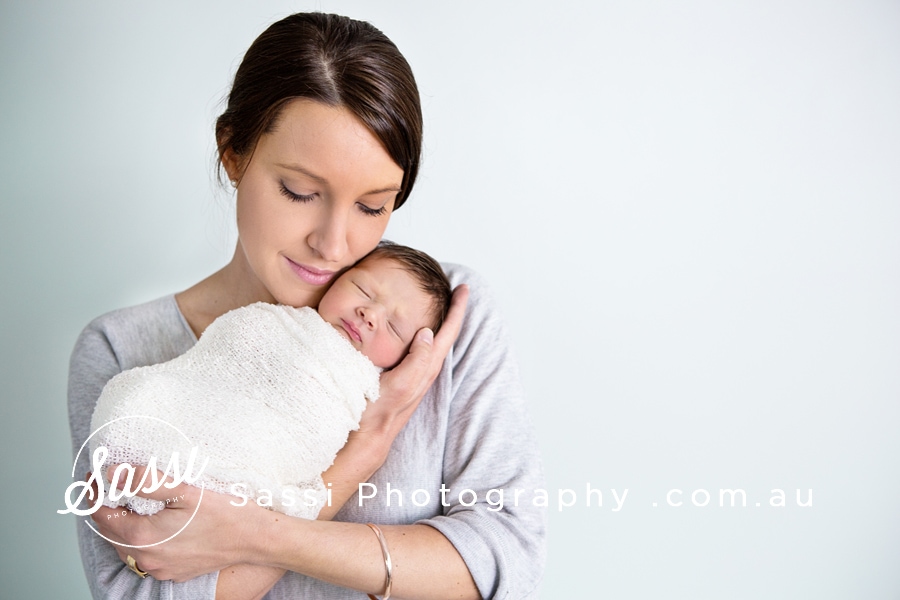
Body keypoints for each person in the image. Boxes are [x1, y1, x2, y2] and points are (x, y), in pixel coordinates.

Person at [67, 11, 545, 600]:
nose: (333, 244)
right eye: (299, 192)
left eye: (372, 206)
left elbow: (508, 562)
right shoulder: (122, 349)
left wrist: (258, 536)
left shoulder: (436, 323)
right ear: (232, 154)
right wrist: (363, 450)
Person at [89, 243, 452, 520]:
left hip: (251, 456)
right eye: (363, 290)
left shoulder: (366, 387)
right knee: (142, 396)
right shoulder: (275, 320)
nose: (369, 314)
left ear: (409, 356)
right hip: (182, 423)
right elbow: (219, 364)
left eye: (393, 326)